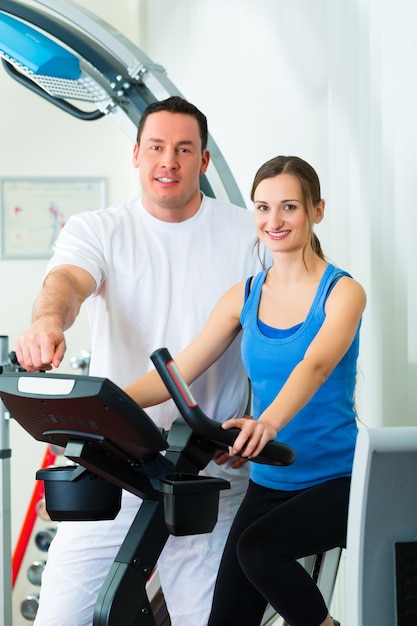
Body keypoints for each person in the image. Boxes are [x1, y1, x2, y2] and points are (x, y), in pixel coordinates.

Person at [15, 96, 269, 626]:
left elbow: (285, 340)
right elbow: (67, 283)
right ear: (136, 155)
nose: (168, 161)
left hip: (209, 471)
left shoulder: (251, 235)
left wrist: (262, 421)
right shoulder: (98, 229)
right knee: (60, 617)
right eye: (156, 147)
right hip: (118, 462)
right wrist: (48, 322)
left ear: (203, 160)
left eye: (183, 149)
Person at [124, 155, 367, 626]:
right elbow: (179, 371)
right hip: (271, 480)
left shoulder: (342, 292)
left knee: (259, 551)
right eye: (262, 207)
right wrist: (100, 404)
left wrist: (266, 423)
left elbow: (314, 366)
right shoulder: (245, 295)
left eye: (289, 207)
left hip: (339, 480)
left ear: (317, 211)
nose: (273, 221)